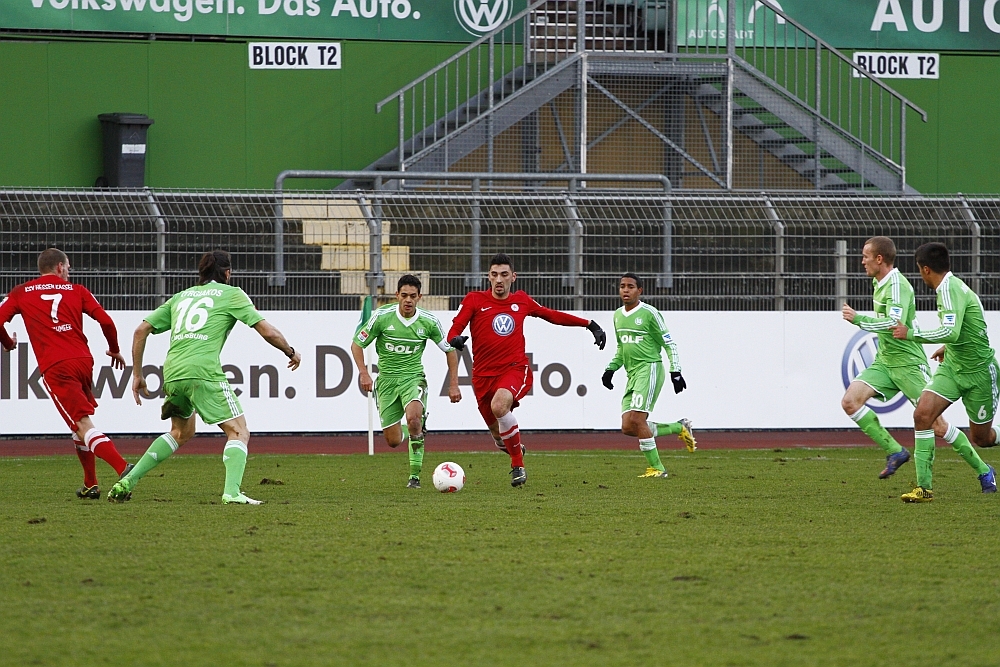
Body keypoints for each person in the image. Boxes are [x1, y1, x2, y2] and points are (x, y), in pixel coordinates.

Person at [108, 250, 301, 504]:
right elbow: (266, 330)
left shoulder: (181, 297)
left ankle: (127, 481)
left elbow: (140, 330)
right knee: (239, 431)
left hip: (173, 372)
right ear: (227, 273)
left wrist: (138, 375)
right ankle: (232, 493)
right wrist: (290, 351)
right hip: (203, 372)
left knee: (179, 432)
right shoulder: (232, 294)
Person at [446, 253, 606, 488]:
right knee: (499, 436)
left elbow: (551, 315)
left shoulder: (521, 301)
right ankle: (513, 448)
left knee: (500, 406)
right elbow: (455, 328)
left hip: (514, 369)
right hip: (482, 377)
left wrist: (589, 324)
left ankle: (517, 466)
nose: (499, 280)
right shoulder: (474, 300)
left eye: (504, 274)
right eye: (494, 275)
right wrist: (455, 340)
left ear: (513, 277)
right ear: (488, 277)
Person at [0, 248, 131, 498]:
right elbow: (106, 321)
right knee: (77, 425)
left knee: (82, 423)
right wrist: (114, 350)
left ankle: (123, 468)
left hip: (56, 365)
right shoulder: (78, 290)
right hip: (83, 361)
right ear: (59, 267)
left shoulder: (21, 292)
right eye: (68, 266)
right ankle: (90, 483)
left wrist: (8, 343)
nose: (69, 271)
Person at [891, 242, 997, 502]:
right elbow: (960, 331)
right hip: (953, 368)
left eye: (919, 270)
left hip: (979, 373)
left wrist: (911, 334)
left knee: (982, 438)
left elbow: (951, 330)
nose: (920, 275)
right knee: (923, 414)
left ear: (926, 269)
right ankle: (924, 487)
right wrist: (947, 347)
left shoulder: (949, 289)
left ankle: (986, 470)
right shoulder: (950, 288)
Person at [841, 236, 948, 479]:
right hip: (886, 362)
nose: (862, 262)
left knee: (938, 425)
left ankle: (983, 470)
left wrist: (858, 319)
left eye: (865, 257)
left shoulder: (898, 285)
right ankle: (895, 451)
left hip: (909, 363)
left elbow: (892, 323)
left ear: (879, 259)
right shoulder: (879, 282)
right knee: (850, 401)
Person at [351, 274, 462, 488]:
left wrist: (454, 383)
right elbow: (357, 345)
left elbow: (450, 351)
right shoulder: (382, 317)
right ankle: (415, 429)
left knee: (413, 419)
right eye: (404, 295)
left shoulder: (428, 322)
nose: (408, 300)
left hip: (413, 378)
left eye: (413, 296)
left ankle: (415, 477)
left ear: (420, 296)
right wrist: (364, 373)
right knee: (393, 441)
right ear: (397, 295)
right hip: (386, 382)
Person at [601, 273, 694, 478]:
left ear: (639, 291)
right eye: (622, 286)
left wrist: (675, 371)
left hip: (649, 369)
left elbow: (669, 343)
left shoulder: (650, 313)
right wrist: (611, 369)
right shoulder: (617, 315)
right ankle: (679, 427)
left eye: (630, 287)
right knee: (627, 426)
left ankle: (658, 469)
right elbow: (621, 347)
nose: (625, 290)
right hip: (632, 373)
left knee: (637, 418)